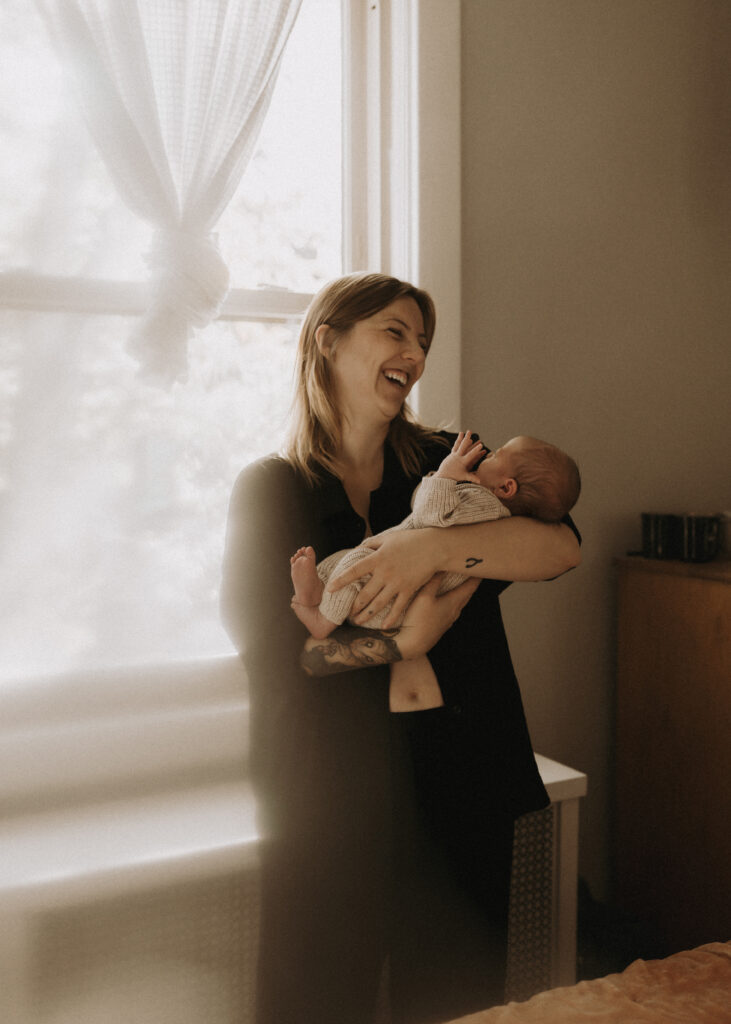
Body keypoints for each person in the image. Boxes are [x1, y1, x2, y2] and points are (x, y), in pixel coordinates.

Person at [220, 272, 581, 1024]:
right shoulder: (272, 489)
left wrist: (422, 555)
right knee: (313, 1003)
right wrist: (408, 637)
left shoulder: (450, 464)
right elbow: (292, 657)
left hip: (462, 785)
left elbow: (559, 546)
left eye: (422, 340)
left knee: (455, 1003)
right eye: (395, 331)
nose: (414, 353)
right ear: (328, 340)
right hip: (328, 798)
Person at [290, 431, 581, 639]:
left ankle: (321, 619)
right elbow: (429, 509)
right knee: (345, 565)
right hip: (397, 608)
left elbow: (430, 515)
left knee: (350, 574)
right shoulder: (487, 501)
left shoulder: (483, 502)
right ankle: (318, 592)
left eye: (496, 454)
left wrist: (443, 478)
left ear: (506, 488)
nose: (488, 454)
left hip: (390, 604)